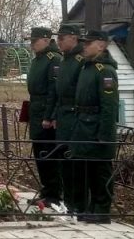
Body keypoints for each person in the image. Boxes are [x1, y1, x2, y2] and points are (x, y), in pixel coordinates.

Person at [70, 29, 118, 224]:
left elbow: (109, 106)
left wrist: (104, 135)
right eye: (84, 42)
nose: (84, 46)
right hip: (83, 125)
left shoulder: (105, 71)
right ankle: (89, 207)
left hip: (96, 127)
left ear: (101, 44)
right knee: (86, 171)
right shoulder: (86, 67)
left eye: (88, 43)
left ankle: (102, 209)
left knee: (100, 172)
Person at [26, 27, 63, 206]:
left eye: (35, 41)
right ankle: (46, 189)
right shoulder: (38, 59)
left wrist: (49, 116)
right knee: (39, 153)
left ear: (47, 40)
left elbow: (53, 91)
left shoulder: (53, 59)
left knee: (48, 154)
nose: (32, 44)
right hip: (35, 110)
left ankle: (54, 193)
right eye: (31, 41)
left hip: (45, 113)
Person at [54, 23, 84, 214]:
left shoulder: (80, 60)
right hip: (63, 115)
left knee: (75, 162)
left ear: (73, 38)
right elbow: (59, 91)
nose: (58, 42)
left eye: (61, 38)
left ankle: (79, 203)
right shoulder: (64, 60)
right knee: (63, 159)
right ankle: (68, 200)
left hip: (75, 115)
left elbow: (80, 91)